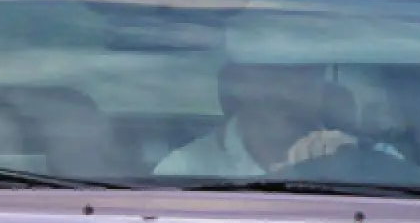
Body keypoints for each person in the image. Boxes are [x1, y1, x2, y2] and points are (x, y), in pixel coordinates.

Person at [155, 62, 367, 178]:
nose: (289, 91)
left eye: (304, 74)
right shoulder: (185, 170)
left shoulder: (368, 159)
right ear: (239, 86)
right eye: (275, 76)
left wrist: (352, 164)